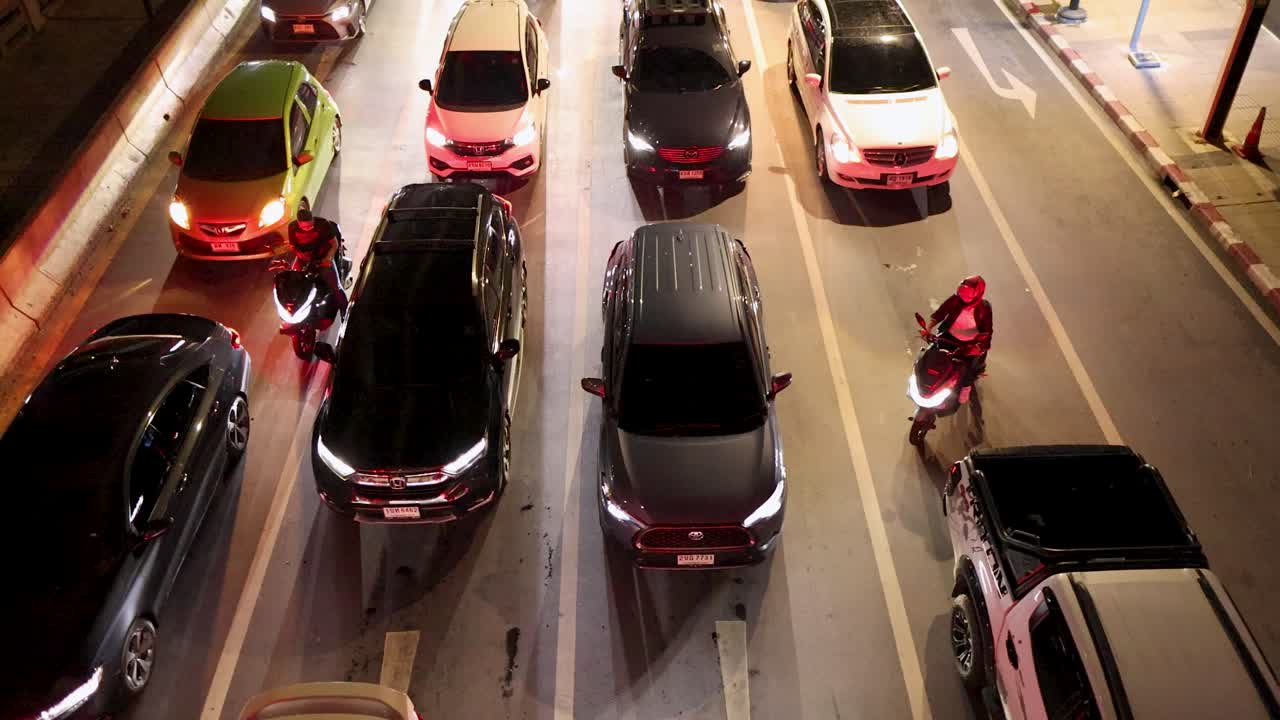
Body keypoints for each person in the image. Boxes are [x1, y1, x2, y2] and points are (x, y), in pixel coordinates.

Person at [924, 275, 992, 404]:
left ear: (977, 294)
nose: (964, 297)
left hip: (969, 344)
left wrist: (977, 347)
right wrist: (928, 328)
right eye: (962, 292)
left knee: (968, 370)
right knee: (930, 356)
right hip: (948, 336)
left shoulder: (984, 309)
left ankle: (966, 388)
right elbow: (939, 314)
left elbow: (986, 332)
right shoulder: (955, 300)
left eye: (968, 294)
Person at [287, 208, 348, 316]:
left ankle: (346, 311)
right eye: (304, 227)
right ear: (298, 223)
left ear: (313, 220)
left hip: (322, 258)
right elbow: (293, 247)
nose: (307, 228)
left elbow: (334, 244)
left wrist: (328, 258)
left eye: (310, 226)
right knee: (293, 283)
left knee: (335, 287)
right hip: (304, 259)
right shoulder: (292, 228)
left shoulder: (323, 225)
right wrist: (301, 256)